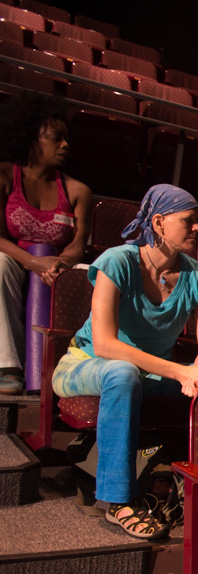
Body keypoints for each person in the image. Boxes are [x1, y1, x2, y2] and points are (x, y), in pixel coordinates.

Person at [51, 185, 198, 539]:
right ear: (159, 223)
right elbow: (105, 344)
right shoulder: (118, 261)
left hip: (150, 373)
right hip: (85, 365)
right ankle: (118, 501)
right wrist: (181, 371)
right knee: (122, 372)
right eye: (190, 221)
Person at [0, 92, 94, 394]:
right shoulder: (4, 174)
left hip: (56, 264)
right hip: (15, 257)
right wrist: (32, 262)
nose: (65, 145)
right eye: (56, 138)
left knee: (91, 274)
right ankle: (8, 366)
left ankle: (75, 367)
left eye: (67, 139)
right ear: (31, 138)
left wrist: (58, 263)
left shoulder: (78, 190)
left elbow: (78, 245)